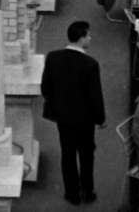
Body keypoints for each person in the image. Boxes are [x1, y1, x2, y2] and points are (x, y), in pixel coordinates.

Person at [41, 19, 106, 206]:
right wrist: (100, 119)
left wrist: (56, 104)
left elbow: (46, 87)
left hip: (62, 117)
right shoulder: (90, 64)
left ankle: (72, 193)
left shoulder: (53, 57)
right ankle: (87, 190)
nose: (90, 38)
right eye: (88, 35)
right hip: (85, 120)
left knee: (67, 154)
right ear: (81, 39)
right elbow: (95, 96)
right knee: (86, 154)